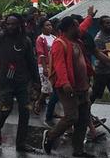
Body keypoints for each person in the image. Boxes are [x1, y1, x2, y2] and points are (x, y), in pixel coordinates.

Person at [0, 14, 40, 153]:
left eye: (14, 24)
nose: (10, 26)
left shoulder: (26, 41)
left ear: (20, 25)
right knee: (7, 108)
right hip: (6, 82)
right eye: (8, 24)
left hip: (22, 83)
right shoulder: (1, 37)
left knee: (25, 111)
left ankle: (21, 144)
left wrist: (36, 82)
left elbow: (32, 62)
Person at [42, 16, 95, 157]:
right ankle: (51, 135)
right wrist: (65, 83)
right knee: (72, 117)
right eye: (76, 26)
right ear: (70, 28)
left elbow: (83, 28)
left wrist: (90, 17)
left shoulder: (76, 41)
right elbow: (60, 65)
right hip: (67, 87)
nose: (80, 28)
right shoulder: (60, 43)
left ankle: (78, 151)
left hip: (82, 86)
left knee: (83, 119)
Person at [34, 19, 55, 114]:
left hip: (53, 65)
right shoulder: (40, 39)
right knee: (47, 87)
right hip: (44, 65)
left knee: (52, 88)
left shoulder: (54, 37)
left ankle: (51, 109)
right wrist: (45, 68)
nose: (50, 27)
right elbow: (40, 53)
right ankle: (39, 103)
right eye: (47, 25)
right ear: (42, 28)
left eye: (50, 25)